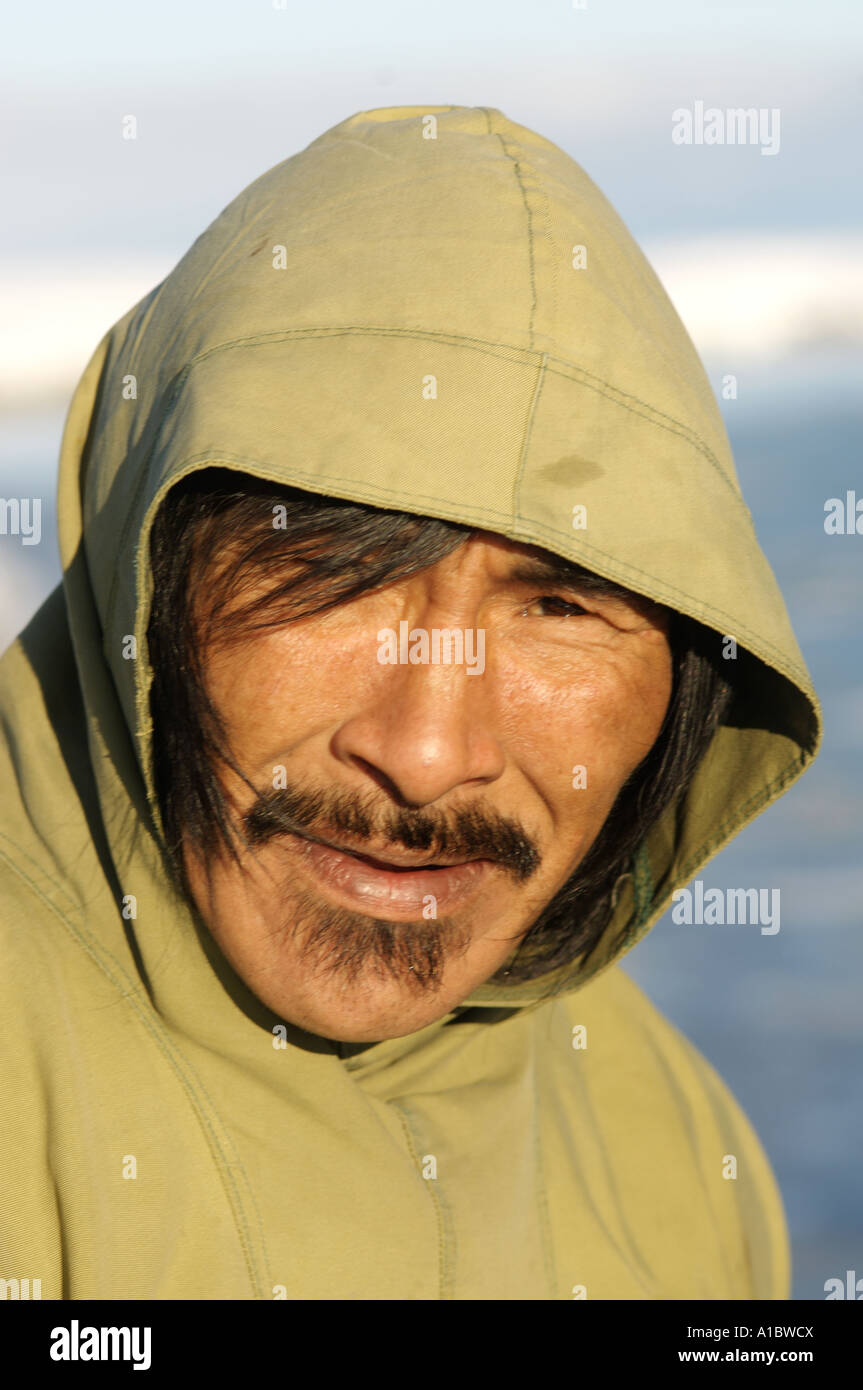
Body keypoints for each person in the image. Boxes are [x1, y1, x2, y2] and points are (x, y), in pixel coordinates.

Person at [0, 105, 821, 1300]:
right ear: (146, 566)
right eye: (333, 580)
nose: (427, 753)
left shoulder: (674, 1147)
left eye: (558, 608)